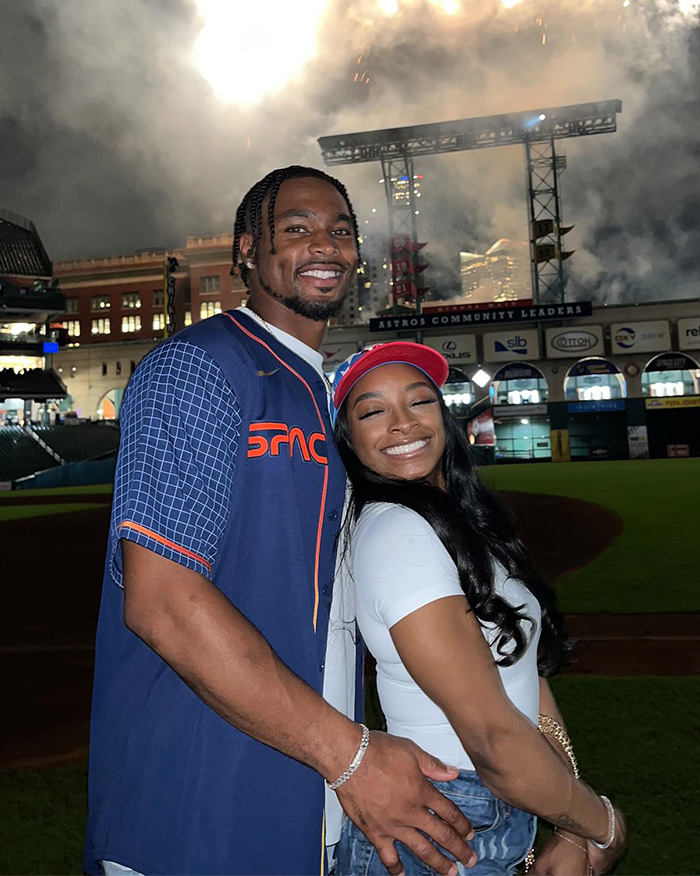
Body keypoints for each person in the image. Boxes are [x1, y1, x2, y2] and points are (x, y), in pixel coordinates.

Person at [84, 167, 477, 876]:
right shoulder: (197, 367)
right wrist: (352, 757)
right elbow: (164, 602)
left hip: (305, 797)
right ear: (246, 249)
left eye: (341, 230)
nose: (324, 244)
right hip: (192, 812)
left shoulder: (322, 396)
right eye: (295, 228)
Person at [330, 342, 627, 876]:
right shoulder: (399, 532)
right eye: (373, 411)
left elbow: (526, 680)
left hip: (509, 797)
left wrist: (567, 821)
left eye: (419, 402)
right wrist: (602, 825)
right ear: (349, 439)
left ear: (443, 415)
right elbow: (491, 738)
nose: (402, 423)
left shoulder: (461, 525)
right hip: (449, 824)